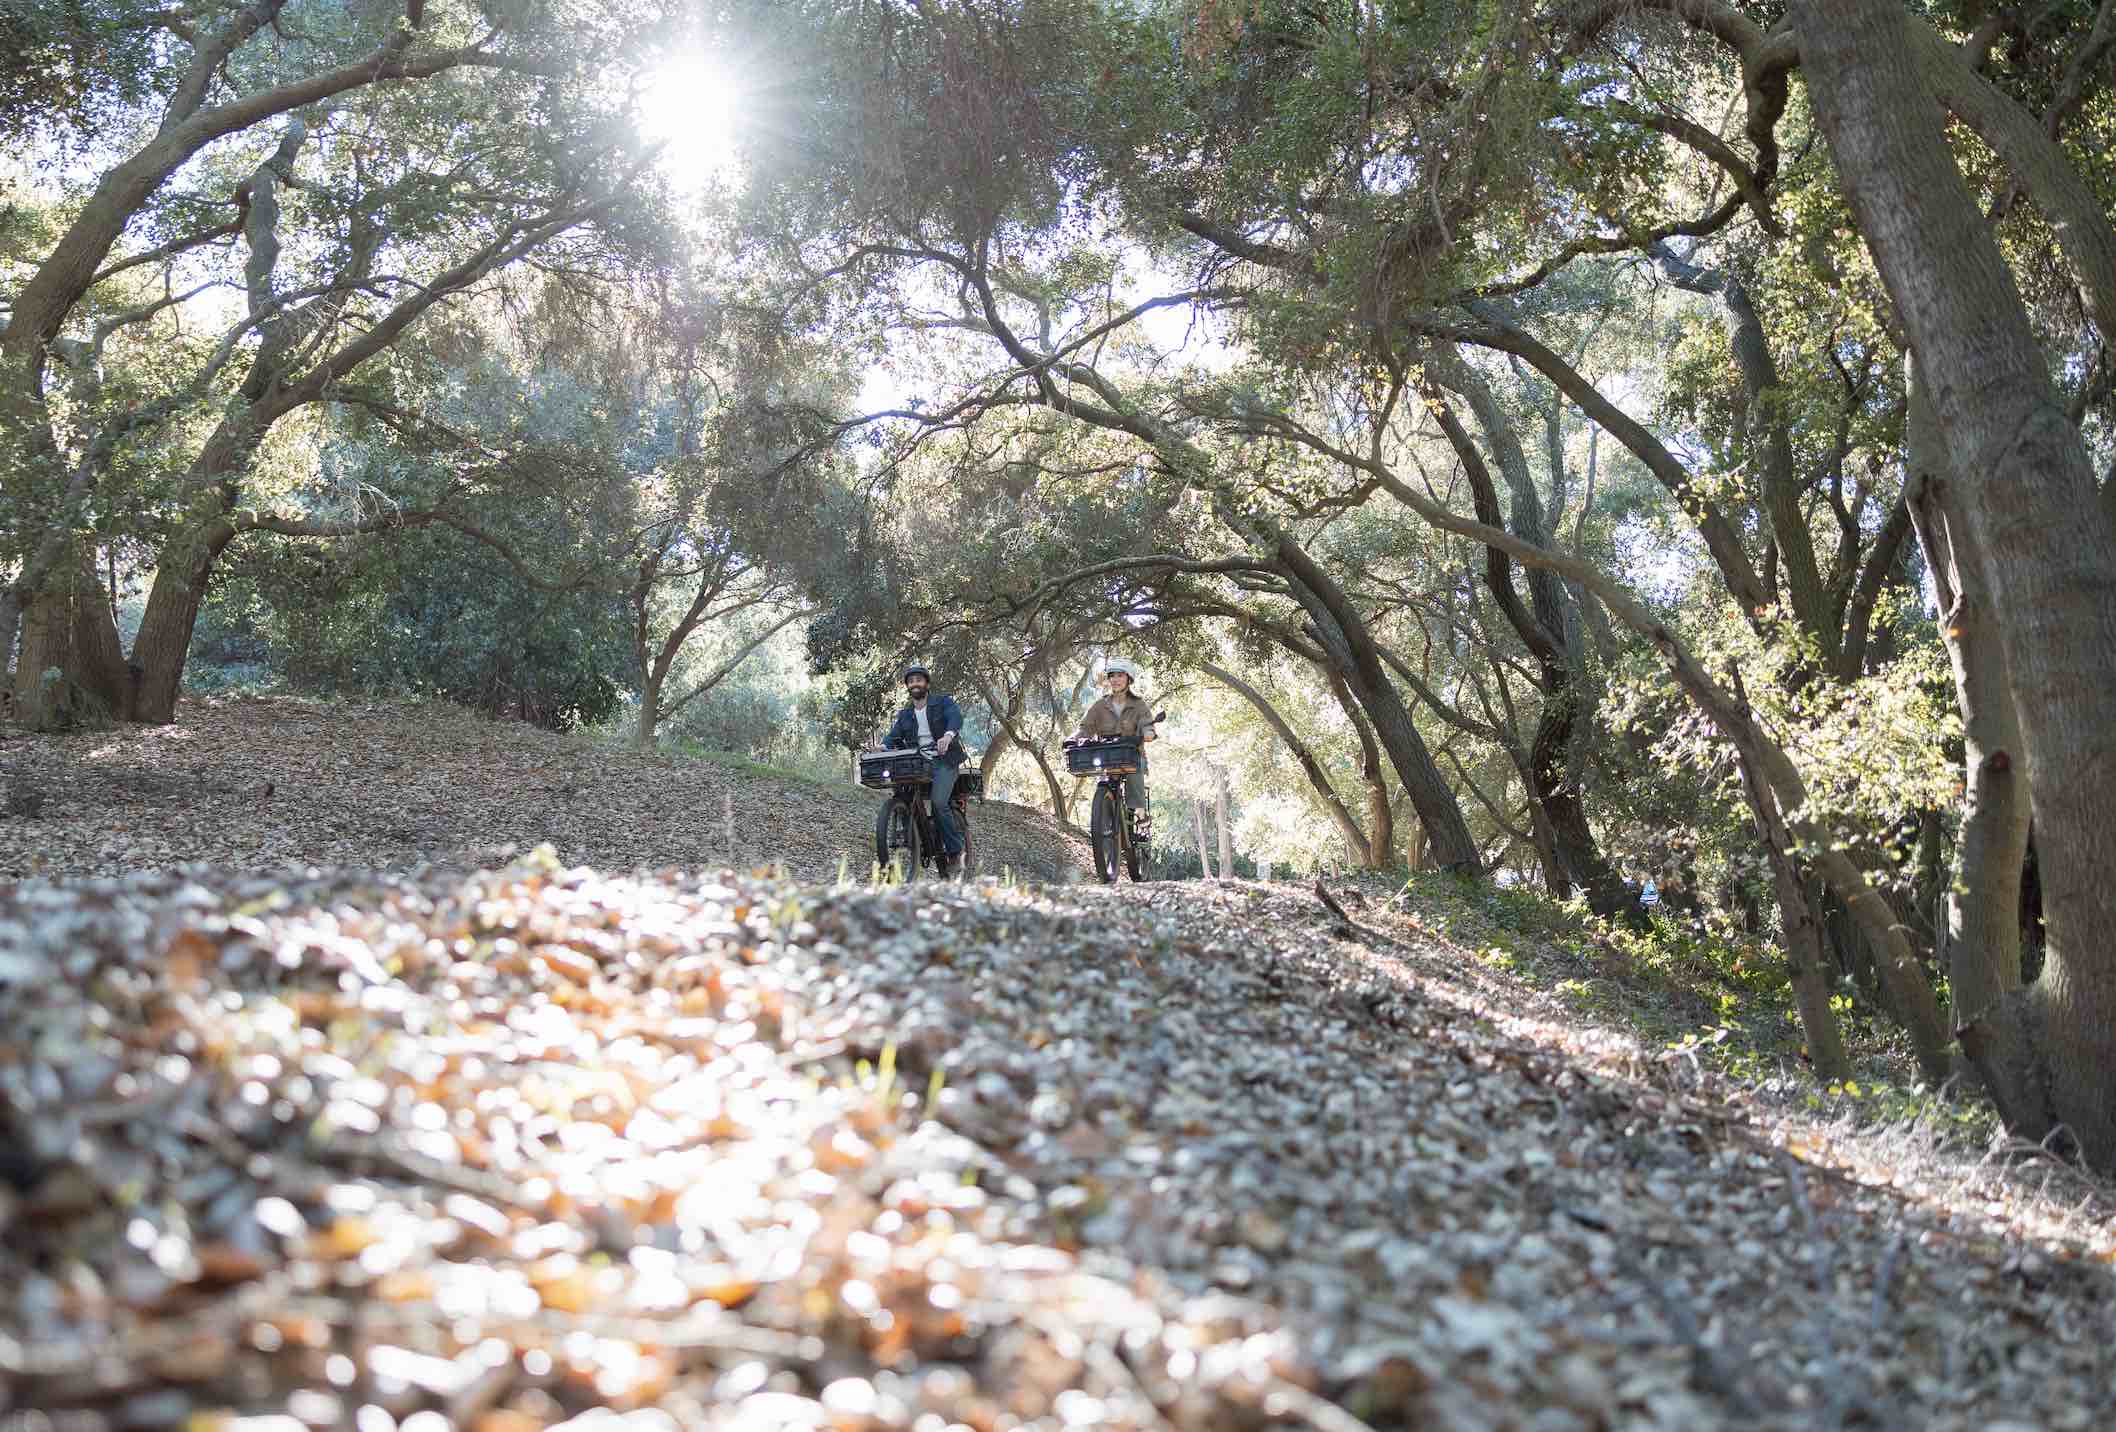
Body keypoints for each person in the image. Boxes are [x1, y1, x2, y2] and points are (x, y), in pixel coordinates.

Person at [884, 663, 968, 874]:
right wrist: (883, 746)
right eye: (911, 681)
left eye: (918, 680)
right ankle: (913, 836)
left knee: (939, 803)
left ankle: (956, 851)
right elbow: (893, 736)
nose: (915, 684)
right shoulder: (905, 715)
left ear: (926, 684)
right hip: (917, 763)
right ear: (908, 687)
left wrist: (948, 735)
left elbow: (955, 717)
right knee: (901, 795)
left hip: (945, 760)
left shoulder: (942, 703)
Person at [1074, 660, 1156, 837]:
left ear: (1128, 679)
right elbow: (1085, 727)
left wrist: (1148, 733)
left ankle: (1141, 817)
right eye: (1112, 676)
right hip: (1109, 755)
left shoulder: (1138, 704)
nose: (1116, 680)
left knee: (1134, 775)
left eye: (1120, 675)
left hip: (1131, 754)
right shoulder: (1099, 705)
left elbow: (1146, 723)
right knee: (1102, 779)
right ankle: (1103, 813)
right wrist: (1075, 739)